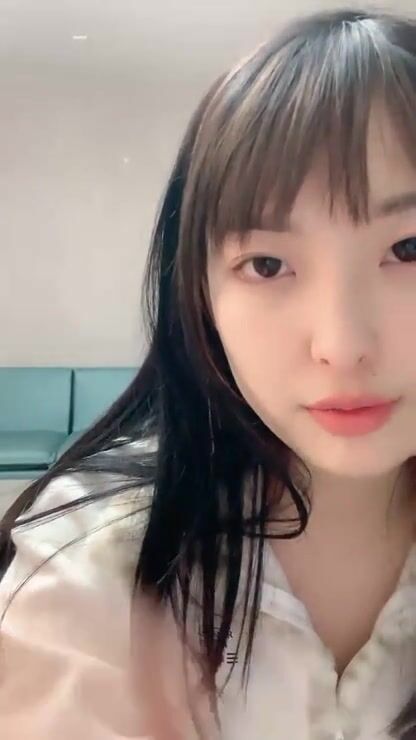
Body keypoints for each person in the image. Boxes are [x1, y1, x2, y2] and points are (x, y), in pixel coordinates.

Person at [2, 6, 416, 739]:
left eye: (409, 250)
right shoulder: (95, 569)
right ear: (200, 296)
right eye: (268, 264)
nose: (342, 345)